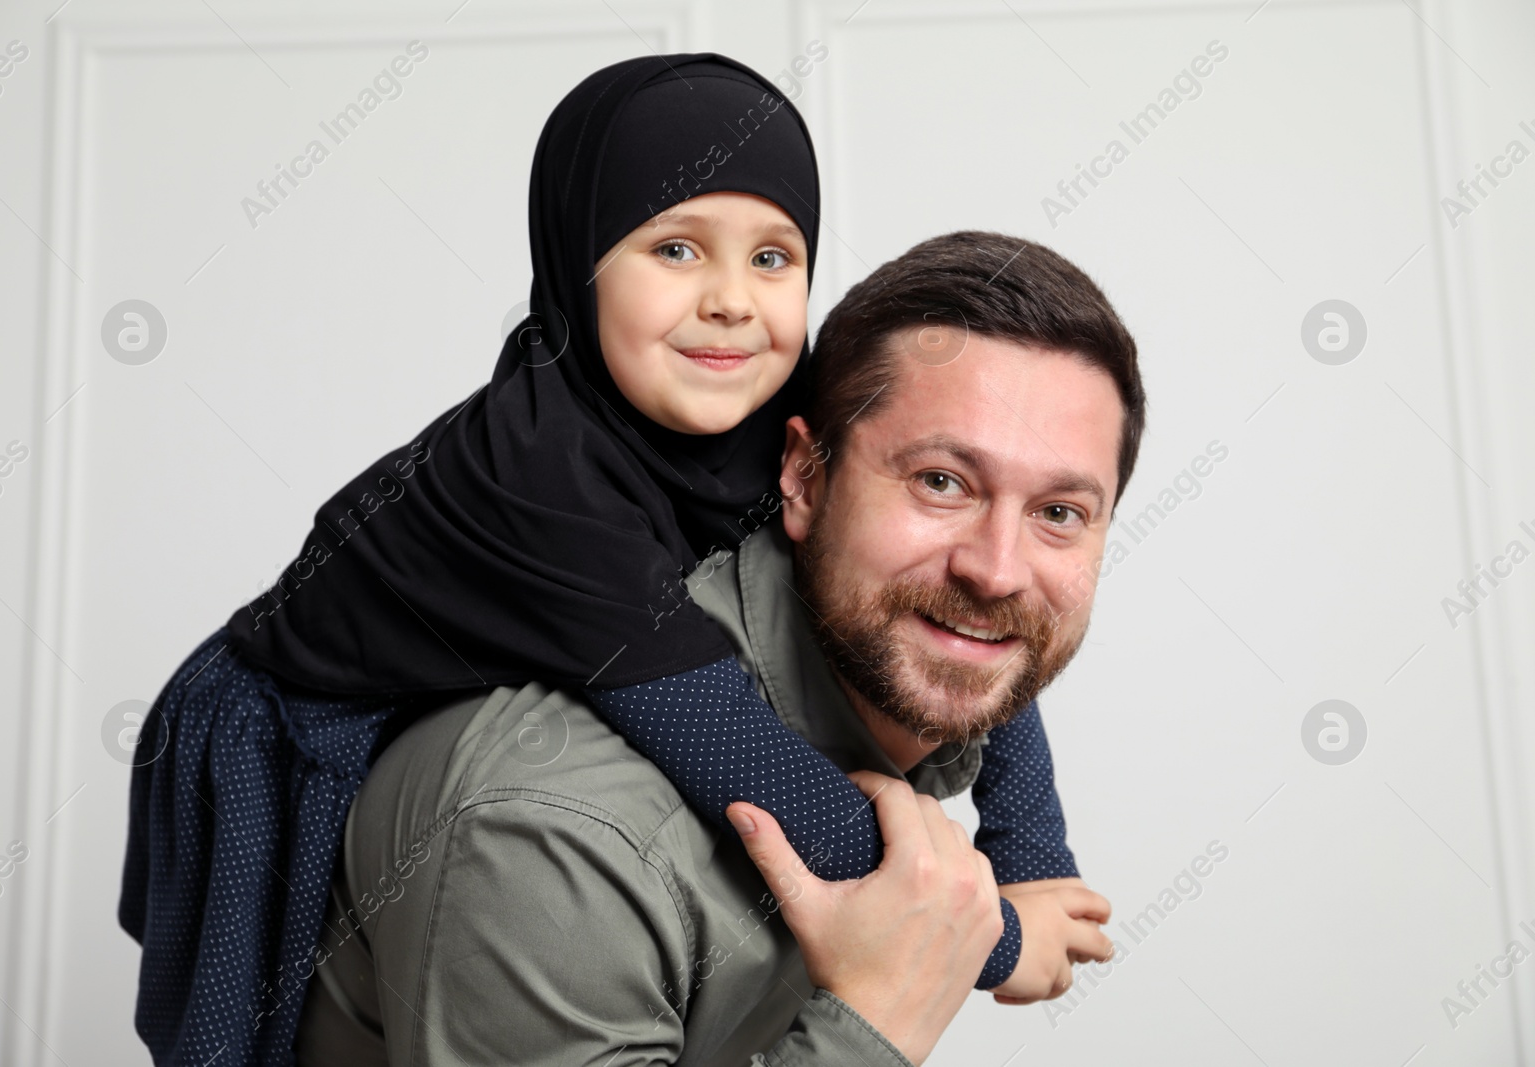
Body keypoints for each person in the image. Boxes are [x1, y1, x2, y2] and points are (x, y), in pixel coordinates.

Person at [118, 54, 1095, 1067]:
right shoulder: (543, 484)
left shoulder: (769, 399)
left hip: (503, 678)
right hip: (293, 725)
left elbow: (971, 593)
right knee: (252, 1037)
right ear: (578, 261)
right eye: (676, 249)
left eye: (773, 258)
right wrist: (991, 935)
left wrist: (1032, 847)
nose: (731, 300)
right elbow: (744, 764)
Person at [292, 228, 1144, 1064]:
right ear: (805, 479)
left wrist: (1029, 849)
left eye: (1059, 513)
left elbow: (1000, 644)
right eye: (940, 483)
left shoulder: (900, 650)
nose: (997, 573)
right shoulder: (556, 837)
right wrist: (877, 1021)